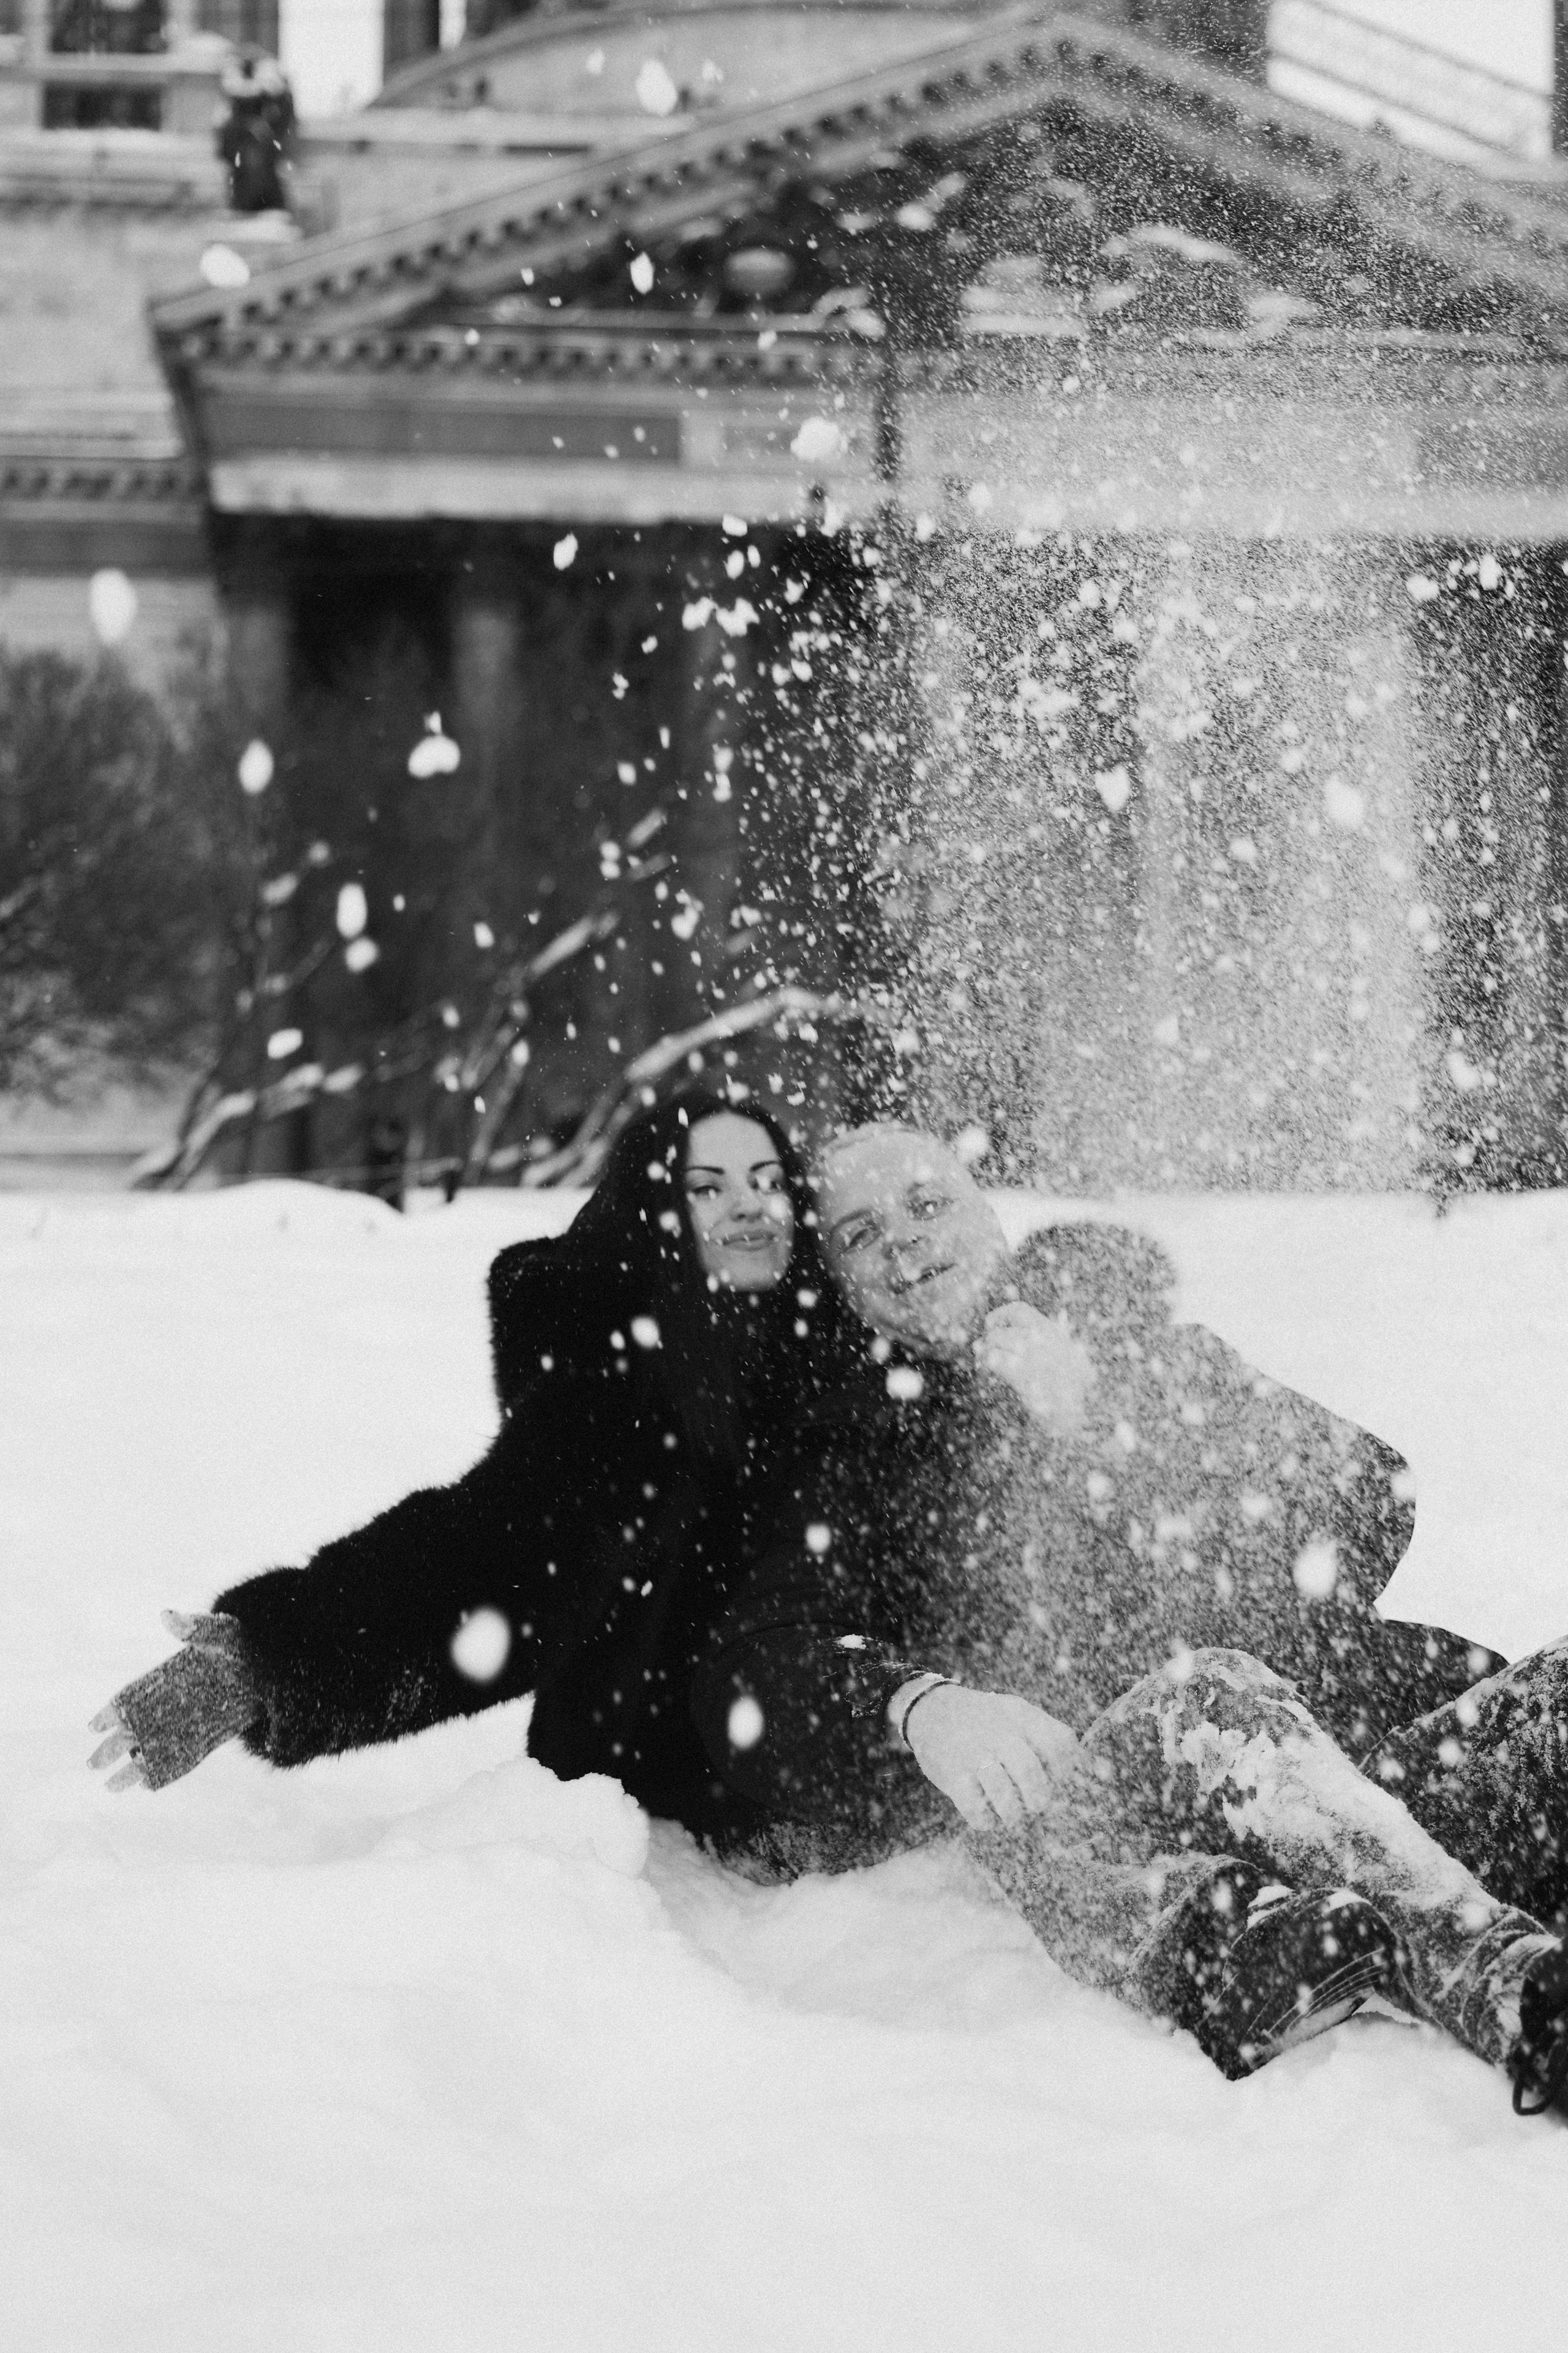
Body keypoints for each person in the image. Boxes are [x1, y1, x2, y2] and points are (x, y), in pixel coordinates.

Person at [694, 1122, 1568, 2107]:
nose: (900, 1240)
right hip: (1166, 1815)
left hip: (1386, 1781)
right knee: (1208, 1691)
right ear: (842, 1281)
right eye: (858, 1233)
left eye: (927, 1204)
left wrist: (1104, 1422)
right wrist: (917, 1706)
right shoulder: (848, 1456)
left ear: (988, 1212)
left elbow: (1364, 1502)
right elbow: (752, 1675)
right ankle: (1517, 1989)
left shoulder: (1144, 1354)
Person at [89, 1087, 849, 1847]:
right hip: (675, 1830)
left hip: (849, 1793)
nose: (751, 1205)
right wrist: (279, 1657)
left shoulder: (846, 1345)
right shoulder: (627, 1390)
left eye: (769, 1179)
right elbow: (501, 1555)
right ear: (653, 1214)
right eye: (707, 1187)